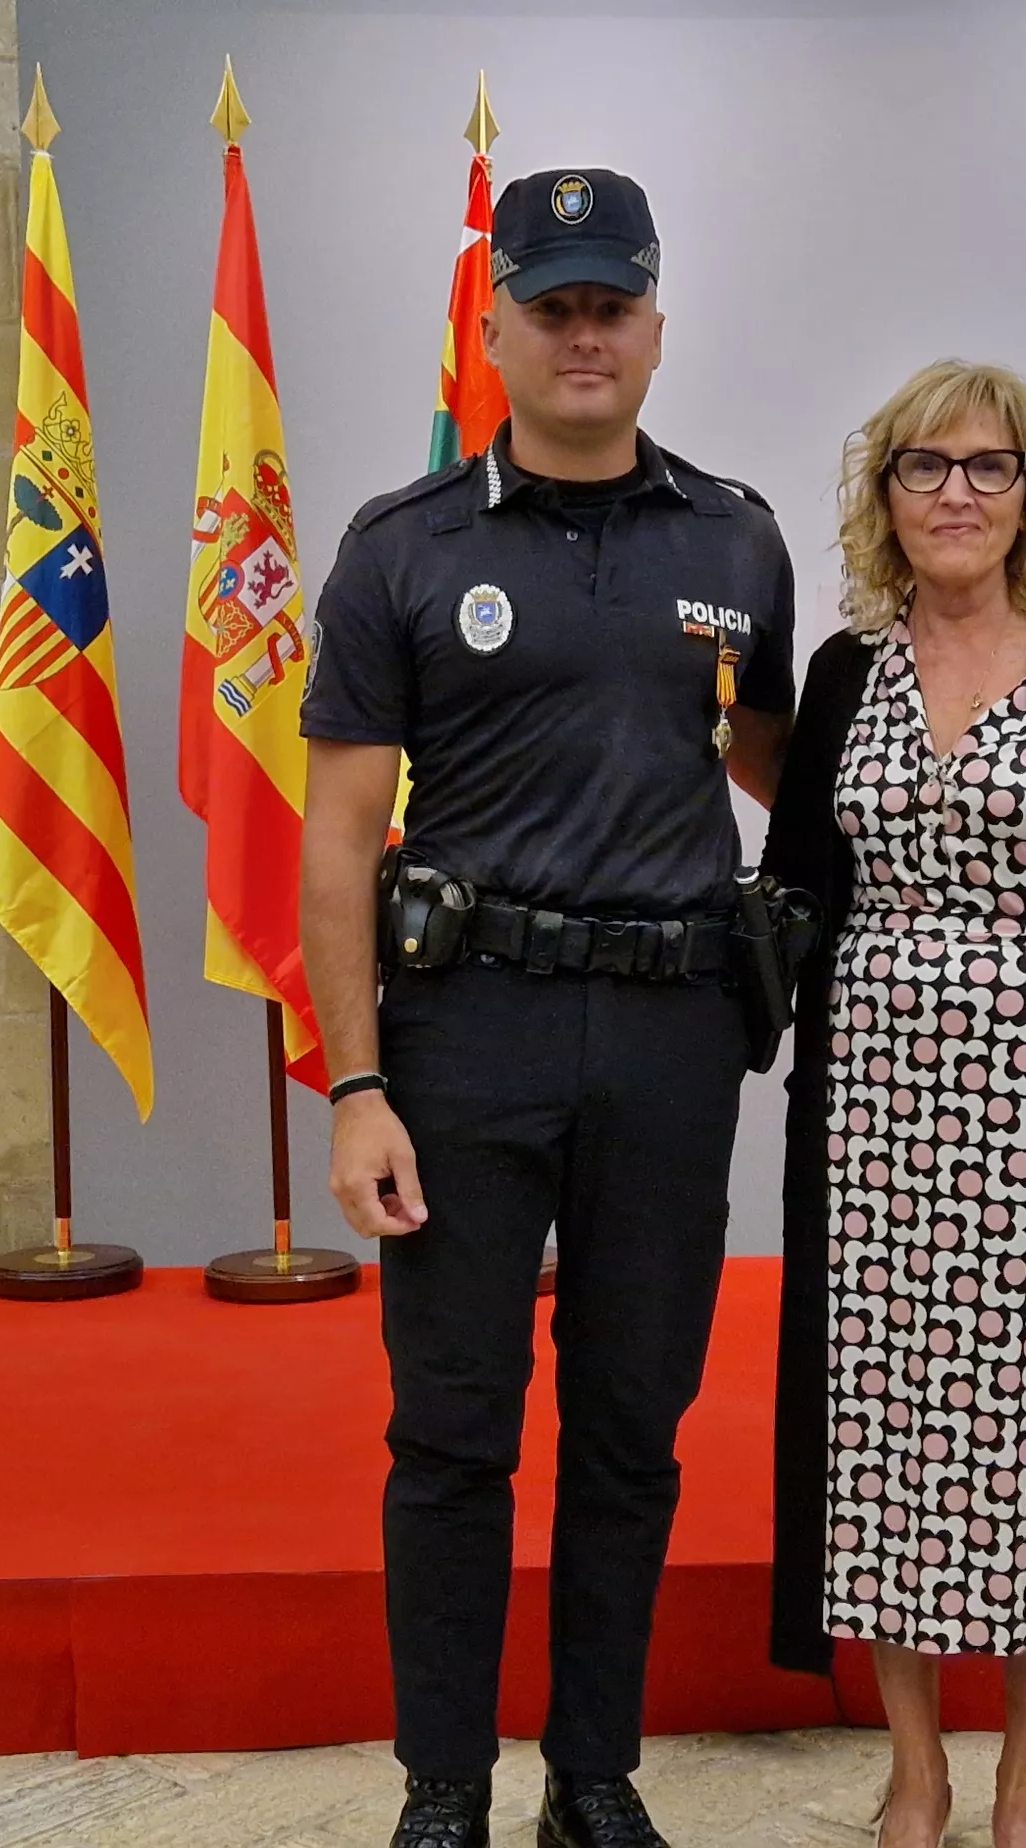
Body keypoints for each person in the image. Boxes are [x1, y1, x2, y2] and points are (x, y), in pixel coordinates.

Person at [299, 168, 795, 1848]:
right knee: (451, 1425)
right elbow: (342, 841)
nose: (585, 335)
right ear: (496, 324)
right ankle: (445, 1787)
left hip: (668, 1036)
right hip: (467, 1034)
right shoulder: (405, 546)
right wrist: (356, 1084)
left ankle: (595, 1776)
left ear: (657, 327)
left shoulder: (738, 537)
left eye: (613, 306)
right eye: (553, 305)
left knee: (633, 1421)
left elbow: (773, 765)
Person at [761, 361, 1026, 1848]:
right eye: (925, 466)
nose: (958, 493)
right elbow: (796, 897)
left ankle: (1023, 1768)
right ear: (883, 494)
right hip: (873, 1123)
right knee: (881, 1438)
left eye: (989, 468)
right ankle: (913, 1760)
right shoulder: (843, 675)